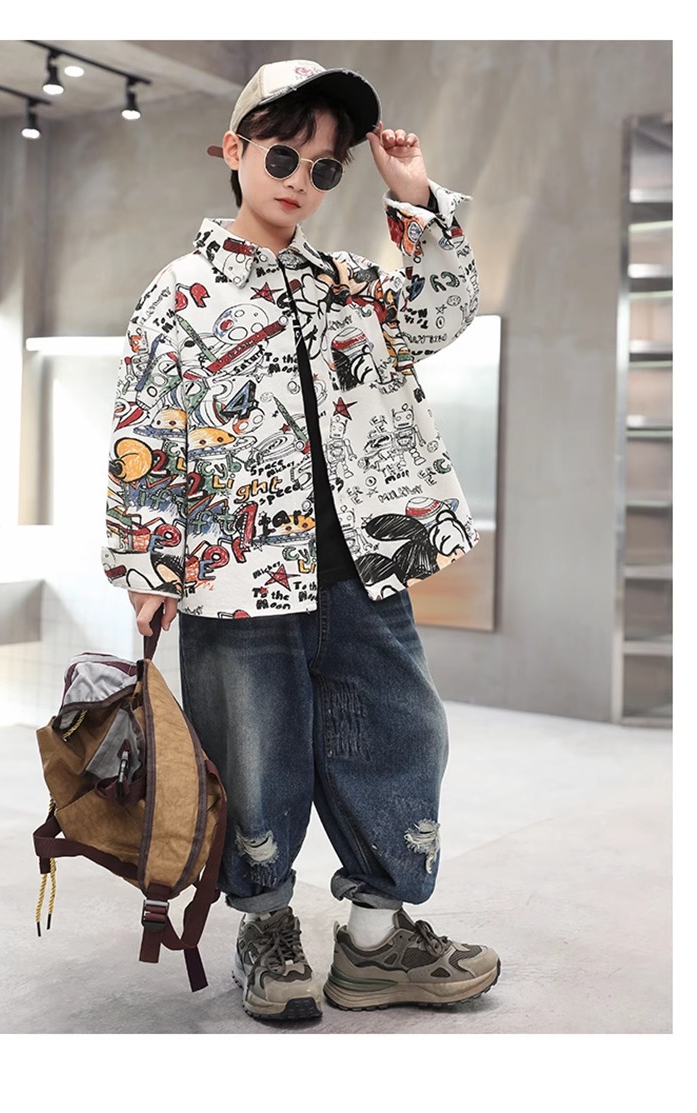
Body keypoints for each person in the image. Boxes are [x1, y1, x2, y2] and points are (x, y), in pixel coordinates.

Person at [102, 58, 500, 1022]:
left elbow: (444, 312)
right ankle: (266, 930)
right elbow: (144, 430)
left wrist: (415, 199)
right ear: (234, 151)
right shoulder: (182, 293)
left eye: (326, 169)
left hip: (363, 563)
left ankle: (374, 941)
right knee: (253, 751)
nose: (301, 180)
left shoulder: (350, 285)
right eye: (283, 155)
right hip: (233, 573)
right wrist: (150, 565)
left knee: (405, 731)